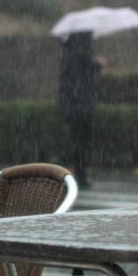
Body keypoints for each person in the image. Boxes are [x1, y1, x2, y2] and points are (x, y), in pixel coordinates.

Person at [56, 31, 99, 188]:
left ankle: (75, 171)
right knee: (81, 141)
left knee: (76, 140)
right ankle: (78, 173)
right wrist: (97, 65)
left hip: (71, 105)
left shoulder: (68, 53)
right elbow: (85, 77)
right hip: (80, 106)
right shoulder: (80, 54)